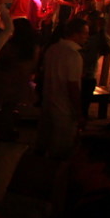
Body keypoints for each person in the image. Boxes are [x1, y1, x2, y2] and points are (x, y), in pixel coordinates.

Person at [36, 17, 90, 159]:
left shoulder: (52, 49)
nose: (87, 37)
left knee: (43, 146)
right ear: (75, 34)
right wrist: (79, 112)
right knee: (61, 151)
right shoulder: (74, 55)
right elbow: (72, 86)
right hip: (64, 109)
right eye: (85, 33)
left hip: (48, 104)